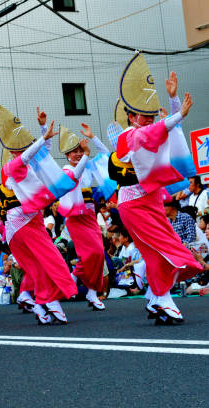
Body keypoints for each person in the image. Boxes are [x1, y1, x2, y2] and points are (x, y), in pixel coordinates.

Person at [111, 54, 202, 324]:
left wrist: (174, 102)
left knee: (167, 248)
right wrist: (175, 116)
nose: (150, 119)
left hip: (151, 202)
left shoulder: (150, 129)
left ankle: (154, 296)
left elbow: (169, 133)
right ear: (130, 115)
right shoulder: (127, 137)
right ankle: (162, 298)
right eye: (144, 114)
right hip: (133, 205)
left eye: (152, 115)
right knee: (158, 250)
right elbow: (154, 133)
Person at [0, 105, 77, 324]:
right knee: (51, 260)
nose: (23, 150)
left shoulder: (29, 165)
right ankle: (49, 300)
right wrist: (41, 139)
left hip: (31, 221)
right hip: (20, 224)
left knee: (39, 267)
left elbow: (42, 152)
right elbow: (29, 154)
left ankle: (41, 303)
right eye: (19, 148)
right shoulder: (10, 167)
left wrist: (43, 128)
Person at [56, 122, 112, 311]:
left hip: (89, 215)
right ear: (67, 155)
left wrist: (93, 137)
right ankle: (73, 282)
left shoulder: (86, 166)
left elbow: (106, 155)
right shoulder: (66, 170)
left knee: (97, 254)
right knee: (91, 254)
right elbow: (73, 177)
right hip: (75, 218)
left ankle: (89, 291)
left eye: (81, 150)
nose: (79, 153)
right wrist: (86, 156)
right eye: (74, 151)